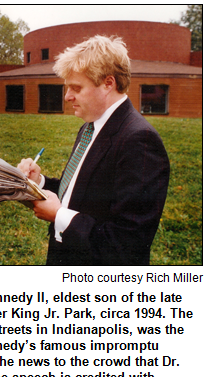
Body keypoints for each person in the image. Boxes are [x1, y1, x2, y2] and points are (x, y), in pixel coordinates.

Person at [18, 35, 169, 265]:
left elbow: (128, 243)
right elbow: (79, 193)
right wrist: (38, 183)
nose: (68, 96)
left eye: (76, 88)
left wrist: (59, 216)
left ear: (108, 84)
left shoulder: (140, 141)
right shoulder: (90, 126)